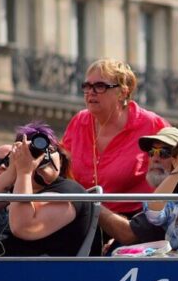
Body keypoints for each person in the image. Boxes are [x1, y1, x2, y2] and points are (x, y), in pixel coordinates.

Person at [0, 122, 91, 257]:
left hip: (31, 274)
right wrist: (13, 171)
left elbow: (24, 227)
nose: (41, 156)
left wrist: (25, 172)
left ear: (60, 158)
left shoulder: (70, 191)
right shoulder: (17, 190)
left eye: (50, 150)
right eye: (32, 152)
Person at [62, 58, 169, 216]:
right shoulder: (79, 122)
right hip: (84, 217)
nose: (90, 92)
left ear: (122, 93)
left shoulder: (152, 125)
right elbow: (61, 167)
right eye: (87, 86)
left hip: (136, 221)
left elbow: (176, 169)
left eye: (100, 86)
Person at [97, 126, 178, 247]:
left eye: (165, 153)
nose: (155, 158)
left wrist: (90, 204)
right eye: (152, 152)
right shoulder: (159, 196)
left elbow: (128, 234)